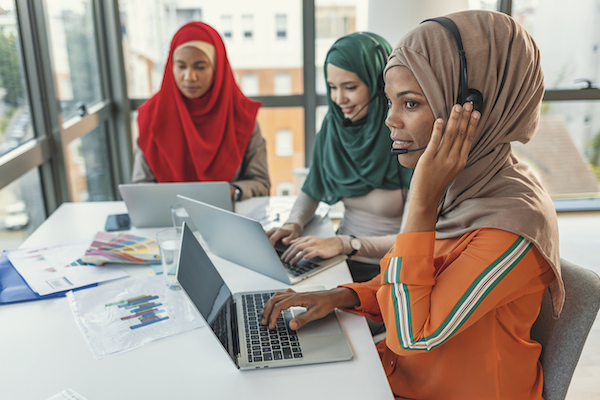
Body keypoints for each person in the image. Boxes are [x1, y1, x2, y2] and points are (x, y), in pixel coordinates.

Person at [261, 10, 565, 399]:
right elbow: (417, 278)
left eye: (410, 104)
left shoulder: (513, 226)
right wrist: (344, 295)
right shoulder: (466, 189)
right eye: (390, 102)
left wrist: (421, 201)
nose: (390, 120)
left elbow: (413, 334)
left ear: (472, 109)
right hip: (398, 378)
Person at [267, 32, 413, 283]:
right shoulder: (335, 126)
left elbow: (413, 240)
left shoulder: (405, 134)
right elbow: (313, 187)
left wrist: (345, 244)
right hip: (341, 259)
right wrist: (294, 224)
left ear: (379, 83)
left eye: (350, 87)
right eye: (332, 87)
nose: (338, 99)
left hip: (388, 270)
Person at [132, 22, 270, 201]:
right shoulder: (151, 117)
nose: (189, 76)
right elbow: (139, 187)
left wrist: (233, 191)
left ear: (217, 68)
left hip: (228, 220)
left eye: (200, 67)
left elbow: (261, 183)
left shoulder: (241, 115)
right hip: (168, 222)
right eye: (181, 66)